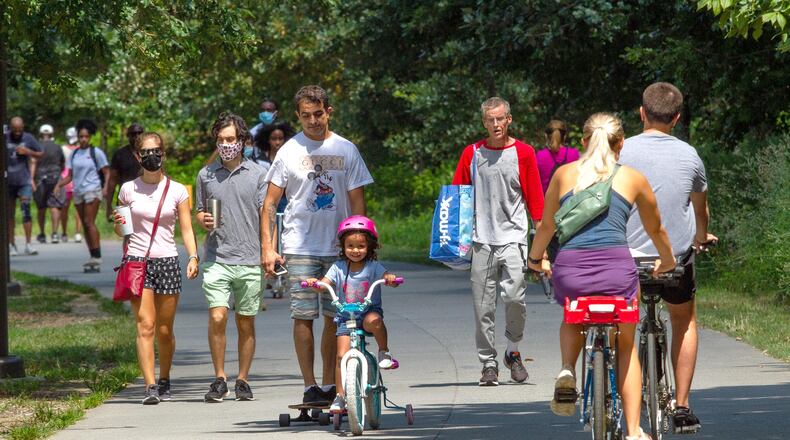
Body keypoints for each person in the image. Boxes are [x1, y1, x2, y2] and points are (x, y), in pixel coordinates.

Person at [528, 112, 676, 440]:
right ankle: (635, 430)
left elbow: (547, 226)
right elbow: (657, 229)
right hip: (617, 273)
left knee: (573, 312)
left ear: (582, 141)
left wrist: (536, 259)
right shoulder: (633, 178)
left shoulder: (564, 174)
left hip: (571, 272)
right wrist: (666, 261)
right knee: (626, 346)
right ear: (621, 143)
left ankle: (568, 367)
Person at [261, 85, 373, 406]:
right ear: (298, 116)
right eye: (306, 115)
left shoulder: (346, 150)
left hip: (338, 249)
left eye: (318, 114)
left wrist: (360, 245)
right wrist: (268, 247)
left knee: (335, 318)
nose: (313, 121)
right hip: (299, 246)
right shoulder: (289, 151)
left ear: (329, 112)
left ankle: (329, 384)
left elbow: (358, 204)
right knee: (303, 315)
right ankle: (310, 385)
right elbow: (269, 204)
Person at [619, 82, 717, 434]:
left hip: (626, 260)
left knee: (624, 328)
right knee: (684, 320)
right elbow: (699, 209)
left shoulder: (620, 151)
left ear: (641, 112)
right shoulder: (690, 155)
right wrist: (701, 236)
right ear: (676, 118)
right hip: (673, 258)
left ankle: (622, 403)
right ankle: (683, 405)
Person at [451, 97, 544, 386]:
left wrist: (543, 248)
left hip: (514, 237)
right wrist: (453, 238)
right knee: (483, 307)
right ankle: (488, 363)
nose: (495, 125)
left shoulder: (524, 153)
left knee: (515, 298)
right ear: (484, 123)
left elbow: (536, 201)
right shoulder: (472, 153)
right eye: (490, 120)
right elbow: (457, 196)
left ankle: (512, 351)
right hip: (481, 240)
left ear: (509, 120)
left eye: (500, 119)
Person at [113, 132, 199, 404]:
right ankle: (149, 386)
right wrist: (117, 223)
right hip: (137, 262)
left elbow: (186, 228)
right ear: (138, 156)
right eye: (146, 151)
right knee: (145, 325)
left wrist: (194, 256)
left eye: (157, 150)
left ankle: (164, 378)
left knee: (164, 329)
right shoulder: (128, 189)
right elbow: (122, 230)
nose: (152, 156)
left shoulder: (176, 190)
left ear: (164, 154)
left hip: (167, 261)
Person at [195, 112, 268, 403]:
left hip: (250, 258)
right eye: (222, 140)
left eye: (232, 139)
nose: (227, 144)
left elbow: (267, 216)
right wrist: (203, 219)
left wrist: (269, 250)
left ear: (242, 141)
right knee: (218, 315)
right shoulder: (206, 174)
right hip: (217, 257)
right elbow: (200, 210)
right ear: (216, 141)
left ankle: (243, 379)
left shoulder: (259, 174)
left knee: (245, 322)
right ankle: (219, 378)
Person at [305, 215, 400, 412]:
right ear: (342, 246)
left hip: (367, 314)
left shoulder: (373, 267)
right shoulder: (338, 267)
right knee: (341, 356)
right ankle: (340, 396)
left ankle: (384, 350)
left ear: (370, 247)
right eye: (350, 246)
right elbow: (325, 284)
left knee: (375, 321)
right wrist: (316, 284)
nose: (355, 251)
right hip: (346, 317)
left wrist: (389, 278)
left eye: (360, 246)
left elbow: (385, 276)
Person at [54, 119, 110, 269]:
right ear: (78, 137)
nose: (83, 139)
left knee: (89, 221)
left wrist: (105, 188)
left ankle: (97, 256)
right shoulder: (74, 154)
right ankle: (92, 255)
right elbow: (70, 175)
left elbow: (107, 171)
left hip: (92, 190)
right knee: (85, 225)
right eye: (81, 136)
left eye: (86, 136)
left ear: (90, 137)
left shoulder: (96, 153)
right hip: (78, 191)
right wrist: (59, 185)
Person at [5, 117, 43, 256]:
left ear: (23, 127)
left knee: (26, 211)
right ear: (10, 128)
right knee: (9, 215)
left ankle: (28, 244)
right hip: (8, 182)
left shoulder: (28, 138)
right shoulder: (5, 137)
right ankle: (11, 244)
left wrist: (28, 152)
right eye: (14, 130)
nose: (17, 133)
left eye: (19, 130)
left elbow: (40, 154)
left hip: (24, 181)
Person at [32, 124, 65, 244]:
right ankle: (55, 234)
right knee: (54, 206)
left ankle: (42, 233)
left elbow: (33, 163)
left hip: (40, 179)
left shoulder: (37, 147)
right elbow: (62, 164)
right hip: (55, 178)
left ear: (40, 134)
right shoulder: (57, 147)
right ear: (51, 134)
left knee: (41, 207)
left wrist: (32, 179)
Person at [107, 123, 144, 222]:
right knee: (126, 231)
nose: (136, 136)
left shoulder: (149, 153)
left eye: (139, 133)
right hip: (125, 199)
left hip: (146, 197)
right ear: (128, 136)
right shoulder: (120, 154)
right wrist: (109, 206)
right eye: (133, 134)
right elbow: (112, 181)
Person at [254, 121, 295, 212]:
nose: (277, 142)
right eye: (274, 138)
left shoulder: (291, 160)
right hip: (264, 200)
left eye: (280, 138)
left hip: (286, 201)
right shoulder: (259, 161)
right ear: (268, 139)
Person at [536, 120, 580, 194]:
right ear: (565, 136)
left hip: (548, 203)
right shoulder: (574, 154)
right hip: (569, 202)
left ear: (546, 136)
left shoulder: (540, 156)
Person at [59, 127, 83, 243]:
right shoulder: (63, 149)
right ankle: (65, 232)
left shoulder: (81, 149)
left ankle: (76, 232)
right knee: (66, 209)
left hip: (77, 181)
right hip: (67, 180)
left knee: (76, 209)